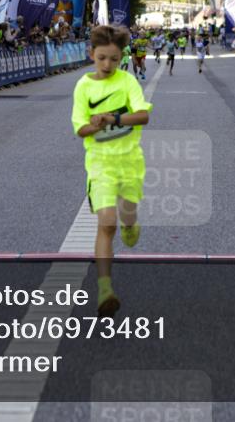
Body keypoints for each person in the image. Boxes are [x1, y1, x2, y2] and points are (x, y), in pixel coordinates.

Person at [71, 25, 152, 317]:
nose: (107, 65)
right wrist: (94, 125)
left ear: (121, 58)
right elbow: (80, 128)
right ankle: (105, 289)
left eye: (114, 59)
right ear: (91, 54)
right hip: (100, 163)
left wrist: (113, 119)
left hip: (129, 162)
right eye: (102, 58)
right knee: (107, 224)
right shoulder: (83, 86)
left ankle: (131, 224)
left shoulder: (127, 81)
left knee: (127, 216)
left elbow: (142, 116)